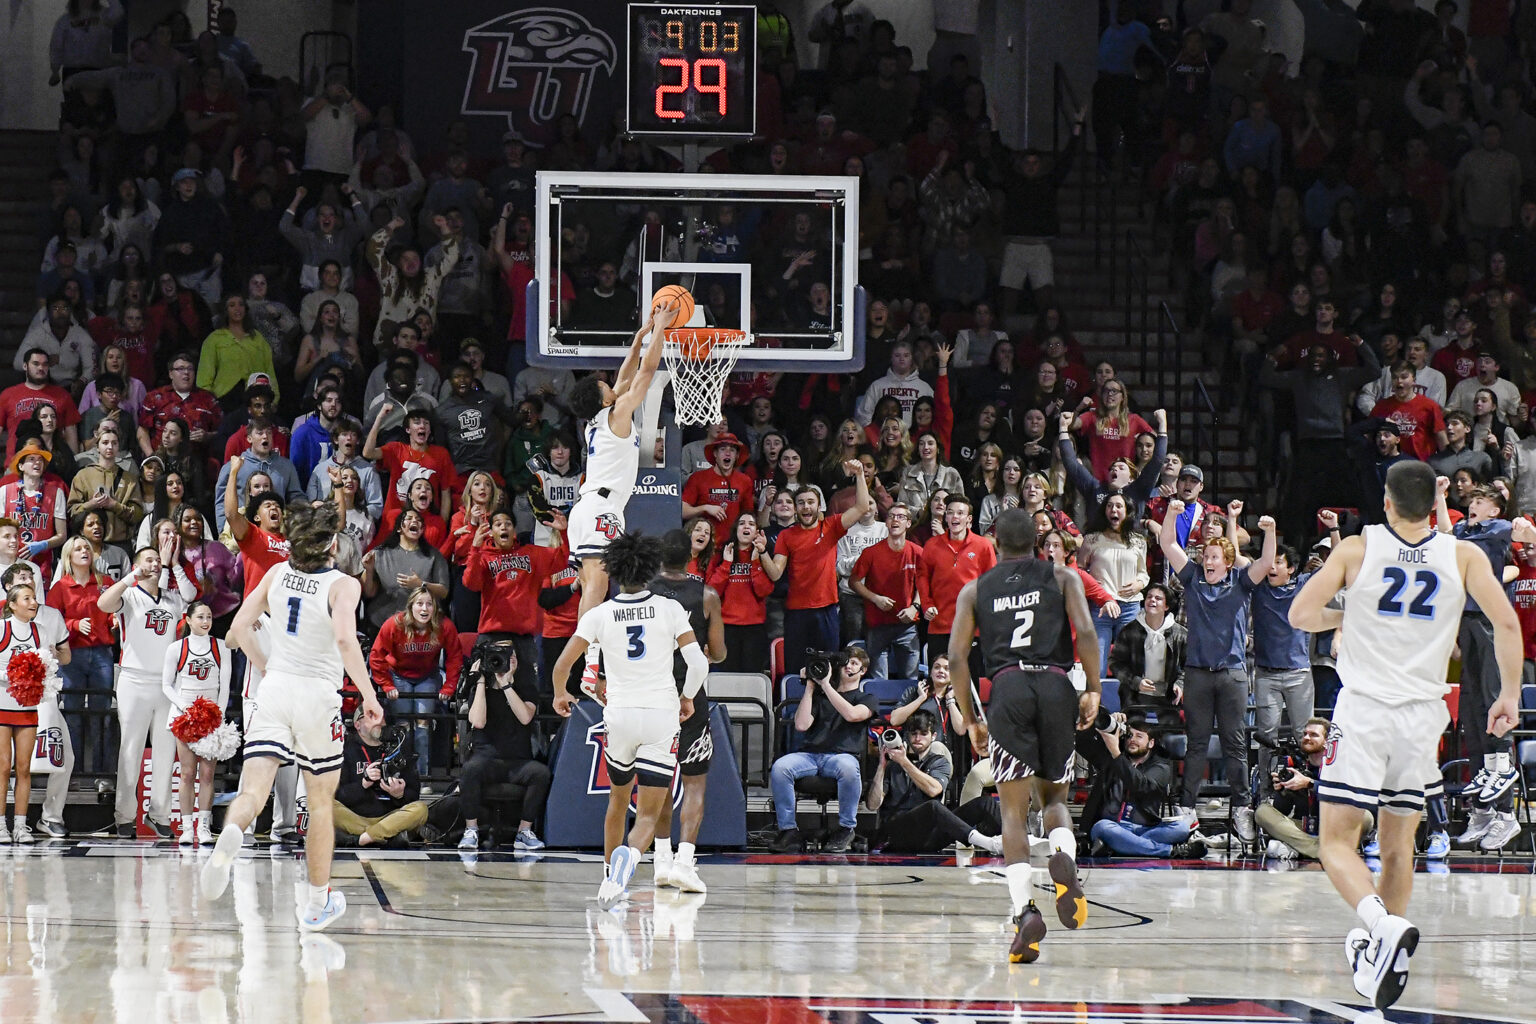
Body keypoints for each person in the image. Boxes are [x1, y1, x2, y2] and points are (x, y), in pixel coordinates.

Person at [1288, 460, 1523, 1010]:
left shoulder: (1356, 548)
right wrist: (1507, 695)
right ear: (1435, 504)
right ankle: (1383, 951)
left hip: (1366, 709)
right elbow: (1507, 623)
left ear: (1387, 503)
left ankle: (1378, 925)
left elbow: (1301, 614)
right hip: (1423, 716)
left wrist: (1351, 607)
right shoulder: (1462, 554)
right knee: (1399, 849)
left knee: (1335, 842)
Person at [203, 499, 386, 933]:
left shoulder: (276, 573)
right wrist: (369, 693)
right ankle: (317, 904)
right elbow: (345, 640)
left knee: (252, 793)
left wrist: (264, 665)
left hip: (275, 689)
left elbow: (235, 631)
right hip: (317, 696)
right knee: (320, 802)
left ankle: (232, 836)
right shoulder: (344, 585)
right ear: (332, 546)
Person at [949, 508, 1100, 964]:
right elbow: (1088, 633)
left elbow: (956, 661)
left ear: (995, 544)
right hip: (1056, 684)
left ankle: (1024, 912)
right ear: (1039, 540)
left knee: (1013, 814)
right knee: (1054, 799)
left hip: (1009, 687)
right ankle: (1062, 856)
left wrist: (972, 717)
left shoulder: (976, 589)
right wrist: (1092, 687)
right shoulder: (1062, 576)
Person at [551, 532, 709, 910]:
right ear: (649, 568)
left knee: (618, 801)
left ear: (616, 571)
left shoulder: (598, 614)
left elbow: (562, 665)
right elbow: (699, 663)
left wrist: (561, 694)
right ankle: (632, 858)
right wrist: (687, 697)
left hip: (618, 715)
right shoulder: (670, 609)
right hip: (660, 714)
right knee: (650, 814)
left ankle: (610, 879)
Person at [1160, 499, 1276, 844]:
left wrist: (1268, 531)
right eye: (1205, 556)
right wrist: (1170, 514)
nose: (1207, 561)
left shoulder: (1241, 582)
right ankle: (1187, 809)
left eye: (1214, 557)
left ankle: (1242, 808)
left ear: (1227, 562)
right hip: (1197, 673)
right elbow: (1167, 544)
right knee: (1196, 744)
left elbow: (1267, 561)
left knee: (1235, 745)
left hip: (1232, 674)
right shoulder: (1193, 578)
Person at [564, 303, 674, 632]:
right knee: (596, 589)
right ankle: (588, 655)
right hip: (600, 506)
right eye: (605, 387)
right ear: (604, 400)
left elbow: (625, 376)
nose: (611, 384)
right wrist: (660, 332)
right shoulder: (617, 413)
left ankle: (589, 654)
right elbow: (644, 373)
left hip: (593, 506)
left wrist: (640, 336)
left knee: (593, 589)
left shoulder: (598, 420)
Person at [1437, 483, 1522, 852]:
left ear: (1495, 510)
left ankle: (1506, 813)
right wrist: (1441, 496)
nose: (1472, 505)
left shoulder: (1501, 529)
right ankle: (1483, 811)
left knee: (1492, 704)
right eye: (1470, 501)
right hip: (1467, 621)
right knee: (1471, 714)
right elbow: (1443, 533)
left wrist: (1522, 521)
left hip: (1489, 620)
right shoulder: (1463, 532)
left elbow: (1525, 533)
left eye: (1480, 501)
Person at [97, 538, 195, 838]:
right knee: (131, 749)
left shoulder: (172, 599)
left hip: (166, 684)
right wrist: (130, 577)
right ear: (138, 565)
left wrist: (172, 563)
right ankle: (124, 815)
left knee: (166, 751)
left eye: (157, 560)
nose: (154, 564)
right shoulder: (129, 596)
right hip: (133, 680)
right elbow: (103, 604)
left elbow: (191, 596)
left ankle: (160, 814)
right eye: (148, 560)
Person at [646, 529, 726, 892]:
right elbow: (720, 653)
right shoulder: (706, 594)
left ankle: (660, 859)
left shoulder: (644, 593)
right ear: (690, 556)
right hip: (689, 694)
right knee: (694, 782)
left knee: (658, 776)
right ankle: (683, 861)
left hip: (651, 694)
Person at [768, 646, 880, 853]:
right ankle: (788, 830)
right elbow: (801, 725)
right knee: (780, 767)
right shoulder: (820, 696)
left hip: (842, 756)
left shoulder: (867, 698)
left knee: (847, 768)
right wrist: (810, 687)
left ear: (863, 671)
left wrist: (826, 685)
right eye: (846, 662)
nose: (849, 666)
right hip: (810, 755)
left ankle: (847, 828)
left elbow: (852, 715)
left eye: (854, 663)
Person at [455, 641, 550, 854]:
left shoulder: (526, 686)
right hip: (486, 758)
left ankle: (524, 832)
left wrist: (506, 684)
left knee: (540, 773)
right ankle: (471, 831)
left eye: (508, 653)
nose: (503, 659)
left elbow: (525, 717)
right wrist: (480, 681)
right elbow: (478, 721)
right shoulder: (481, 688)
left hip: (518, 761)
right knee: (470, 770)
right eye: (496, 654)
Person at [867, 709, 1003, 855]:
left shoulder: (939, 763)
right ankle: (987, 843)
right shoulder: (892, 766)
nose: (918, 738)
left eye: (924, 733)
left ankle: (1015, 840)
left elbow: (934, 790)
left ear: (934, 736)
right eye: (914, 733)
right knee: (933, 806)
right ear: (907, 736)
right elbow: (872, 804)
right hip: (897, 834)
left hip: (929, 835)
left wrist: (904, 762)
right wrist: (881, 766)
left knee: (985, 803)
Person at [0, 578, 71, 844]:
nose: (33, 603)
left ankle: (20, 825)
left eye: (34, 598)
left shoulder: (40, 631)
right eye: (27, 599)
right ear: (13, 604)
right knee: (3, 768)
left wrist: (43, 670)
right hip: (2, 703)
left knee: (24, 768)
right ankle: (1, 826)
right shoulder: (2, 628)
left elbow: (48, 666)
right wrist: (13, 677)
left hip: (28, 705)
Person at [367, 588, 462, 785]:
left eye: (429, 604)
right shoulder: (394, 624)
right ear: (411, 606)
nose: (424, 608)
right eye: (420, 603)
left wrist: (449, 687)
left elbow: (454, 657)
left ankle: (422, 778)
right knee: (402, 726)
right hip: (398, 676)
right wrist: (386, 684)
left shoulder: (444, 626)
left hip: (427, 677)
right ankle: (399, 776)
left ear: (435, 608)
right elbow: (376, 656)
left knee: (422, 726)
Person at [1079, 714, 1203, 859]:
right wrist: (1100, 727)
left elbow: (1141, 786)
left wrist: (1116, 753)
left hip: (1146, 829)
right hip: (1114, 826)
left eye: (1139, 736)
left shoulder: (1161, 767)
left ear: (1151, 743)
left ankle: (1120, 846)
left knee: (1181, 828)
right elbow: (1081, 742)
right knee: (1102, 827)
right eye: (1130, 735)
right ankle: (1169, 851)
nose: (1132, 740)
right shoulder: (1110, 758)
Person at [160, 600, 230, 846]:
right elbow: (166, 685)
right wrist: (186, 708)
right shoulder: (176, 648)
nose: (205, 621)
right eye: (200, 617)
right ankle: (187, 827)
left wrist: (216, 717)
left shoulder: (221, 647)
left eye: (209, 617)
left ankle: (204, 826)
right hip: (184, 715)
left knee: (208, 774)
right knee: (188, 773)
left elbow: (224, 686)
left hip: (211, 716)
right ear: (188, 620)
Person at [1254, 717, 1351, 861]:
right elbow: (1282, 811)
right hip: (1304, 828)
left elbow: (1344, 795)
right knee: (1262, 812)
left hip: (1335, 826)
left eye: (1313, 735)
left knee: (1366, 818)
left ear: (1327, 741)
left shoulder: (1337, 764)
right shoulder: (1296, 764)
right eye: (1305, 734)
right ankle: (1317, 849)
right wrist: (1283, 790)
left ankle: (1302, 847)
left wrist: (1310, 784)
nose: (1306, 738)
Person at [333, 703, 428, 849]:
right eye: (372, 716)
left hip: (390, 816)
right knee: (326, 805)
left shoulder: (399, 747)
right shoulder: (345, 749)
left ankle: (362, 838)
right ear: (358, 724)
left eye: (381, 716)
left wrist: (399, 795)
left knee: (421, 809)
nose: (379, 721)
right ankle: (385, 836)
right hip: (356, 817)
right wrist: (363, 784)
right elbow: (338, 795)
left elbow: (414, 794)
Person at [849, 502, 924, 678]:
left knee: (911, 679)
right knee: (878, 681)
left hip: (907, 625)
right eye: (891, 516)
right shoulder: (871, 552)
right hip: (877, 624)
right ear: (886, 522)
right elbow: (854, 581)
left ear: (908, 523)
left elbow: (924, 583)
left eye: (901, 517)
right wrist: (875, 598)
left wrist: (915, 606)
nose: (895, 520)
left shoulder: (918, 552)